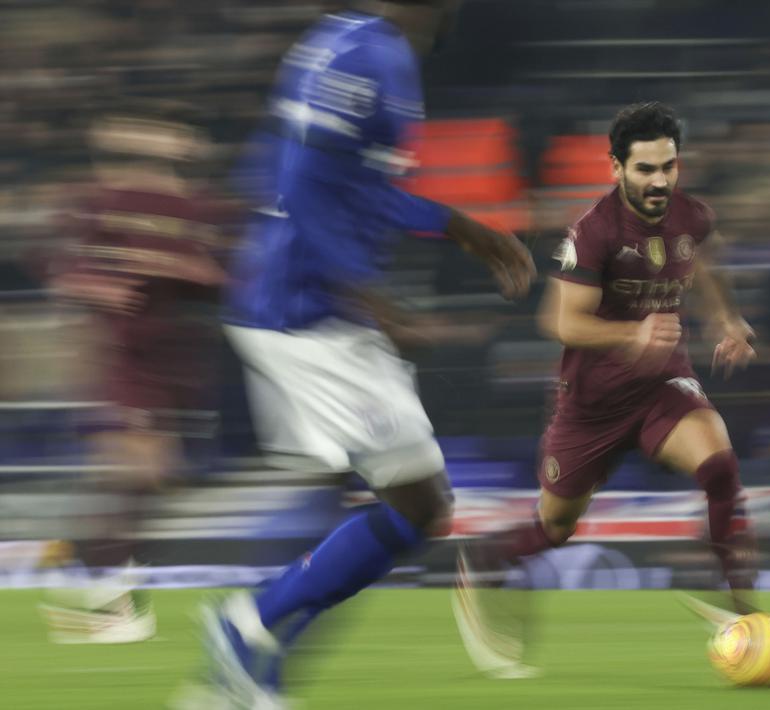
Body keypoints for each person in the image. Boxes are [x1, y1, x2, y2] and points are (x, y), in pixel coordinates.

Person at [186, 1, 535, 706]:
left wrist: (456, 226)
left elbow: (356, 187)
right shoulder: (366, 55)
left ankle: (247, 668)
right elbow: (302, 184)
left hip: (306, 305)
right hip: (303, 313)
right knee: (417, 502)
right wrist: (363, 291)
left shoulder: (359, 44)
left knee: (402, 502)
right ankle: (246, 624)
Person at [453, 101, 760, 677]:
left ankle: (747, 616)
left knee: (720, 467)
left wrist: (725, 319)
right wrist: (631, 334)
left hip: (663, 387)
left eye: (668, 167)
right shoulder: (592, 232)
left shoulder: (691, 216)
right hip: (591, 406)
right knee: (556, 528)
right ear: (615, 167)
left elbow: (706, 263)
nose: (660, 181)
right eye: (645, 169)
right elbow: (561, 322)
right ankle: (487, 560)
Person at [38, 102, 227, 645]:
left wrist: (179, 269)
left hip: (175, 360)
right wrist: (98, 286)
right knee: (130, 474)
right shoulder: (95, 201)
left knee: (152, 481)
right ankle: (115, 603)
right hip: (123, 360)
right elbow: (66, 270)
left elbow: (225, 276)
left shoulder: (196, 207)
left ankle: (104, 577)